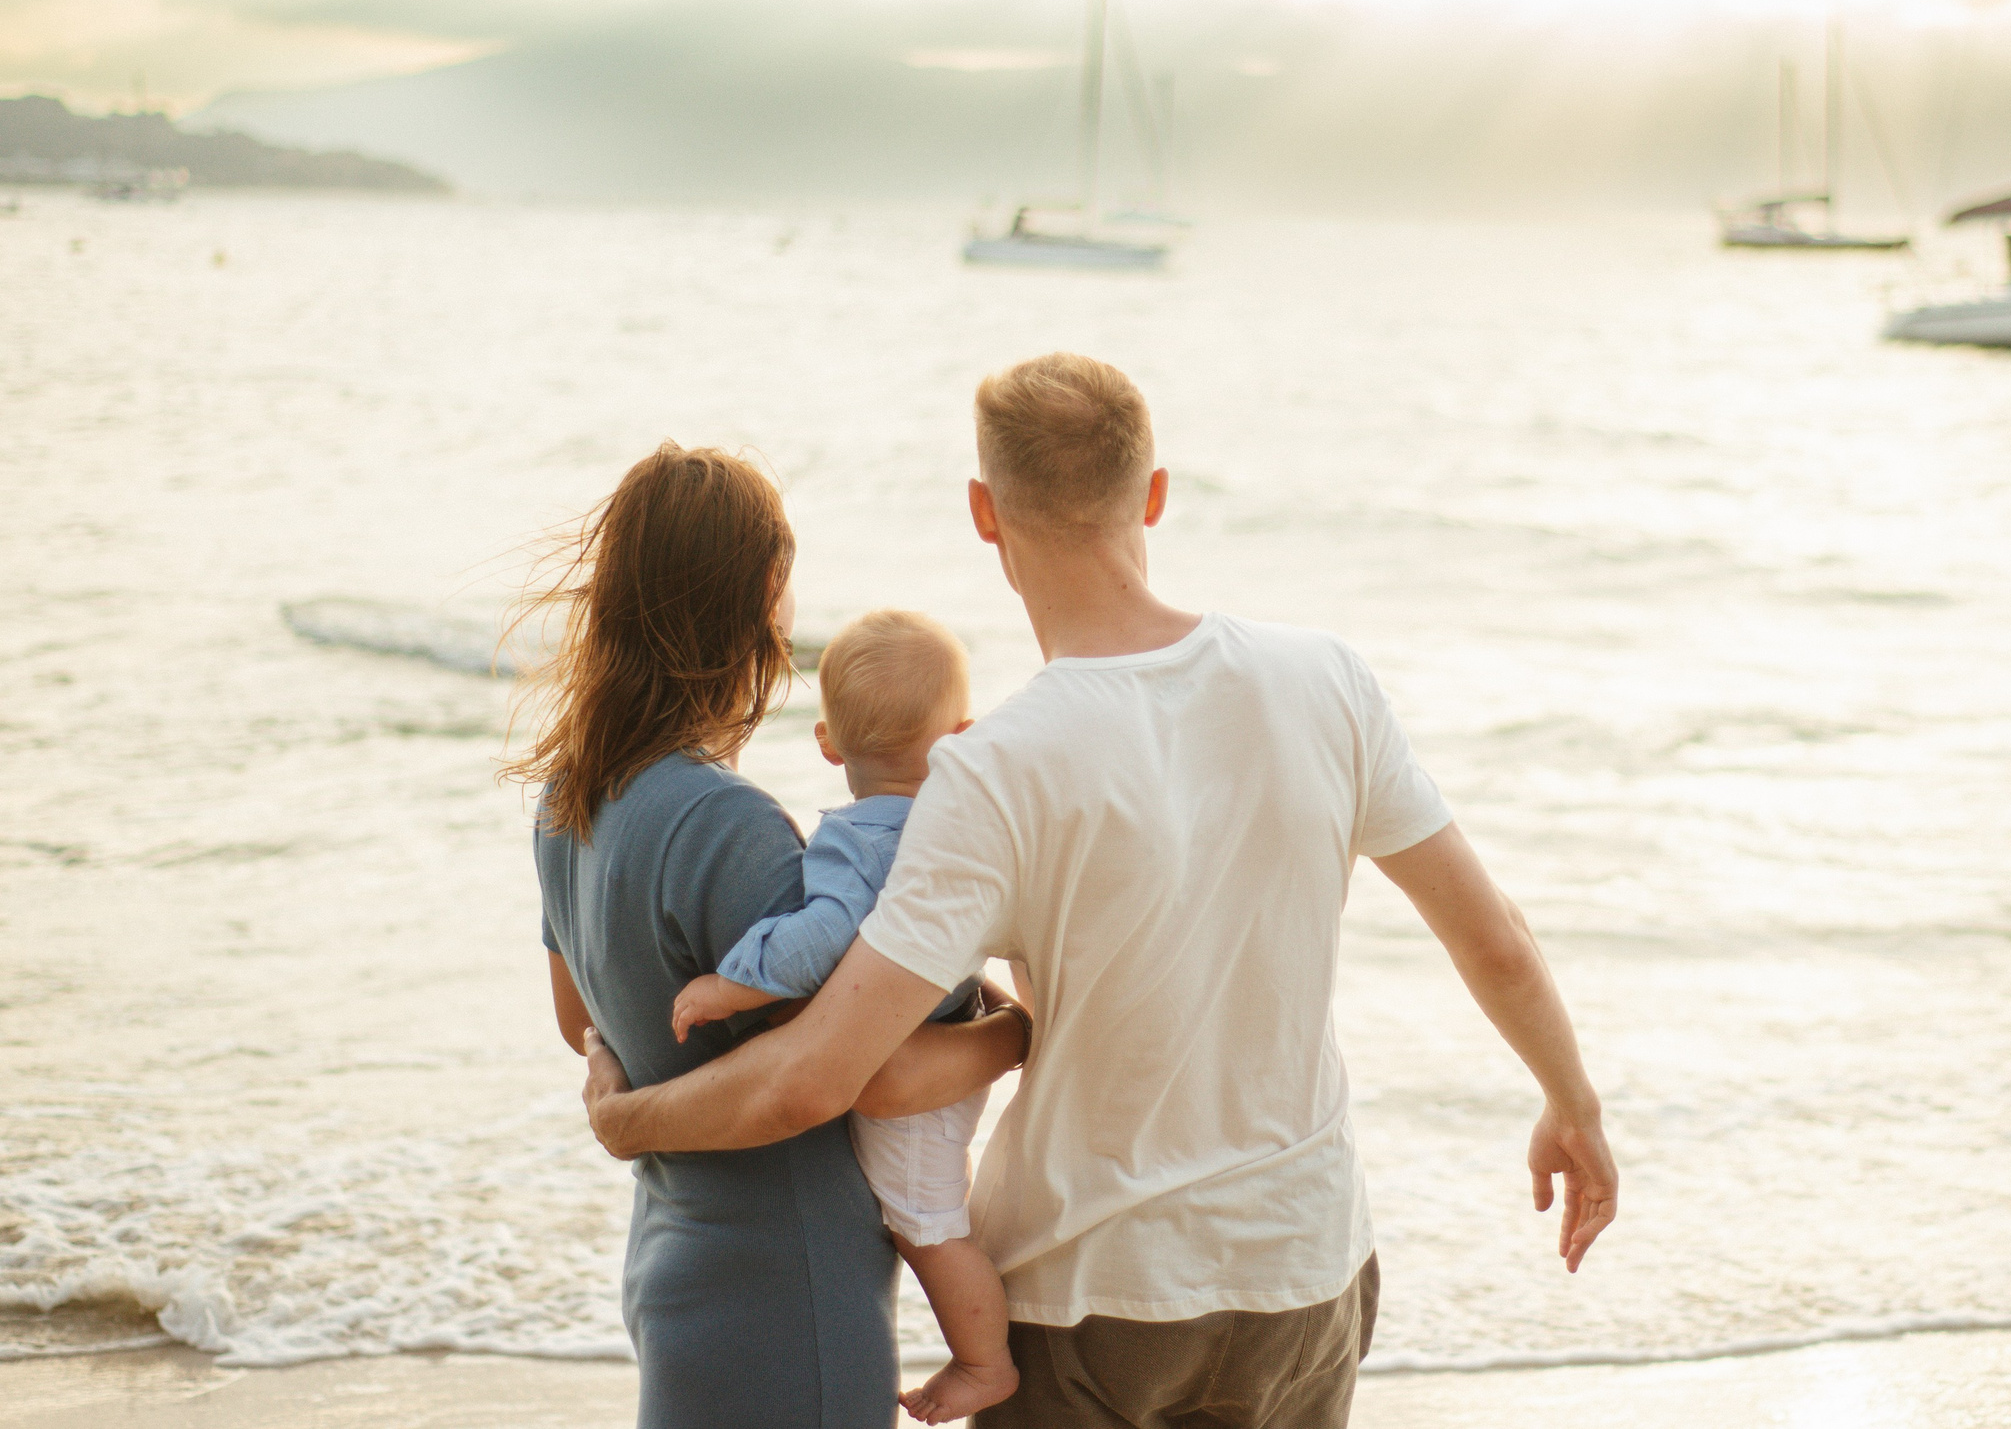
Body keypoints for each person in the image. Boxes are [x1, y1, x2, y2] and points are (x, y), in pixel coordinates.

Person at [580, 360, 1618, 1429]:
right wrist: (1570, 1101)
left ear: (986, 514)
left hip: (1095, 1297)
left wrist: (629, 1120)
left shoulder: (994, 771)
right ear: (1154, 494)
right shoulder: (1328, 680)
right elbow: (1494, 938)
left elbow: (830, 1078)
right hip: (1307, 1269)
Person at [515, 443, 1028, 1429]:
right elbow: (849, 1073)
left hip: (671, 1261)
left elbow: (582, 1020)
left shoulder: (564, 800)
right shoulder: (729, 826)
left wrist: (637, 1109)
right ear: (763, 595)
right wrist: (1022, 1030)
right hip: (788, 1285)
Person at [668, 609, 1020, 1425]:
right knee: (935, 1200)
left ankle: (984, 1363)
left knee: (926, 1226)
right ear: (957, 739)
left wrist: (732, 983)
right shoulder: (956, 830)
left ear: (828, 743)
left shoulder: (855, 843)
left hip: (912, 1062)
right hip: (956, 1032)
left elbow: (819, 938)